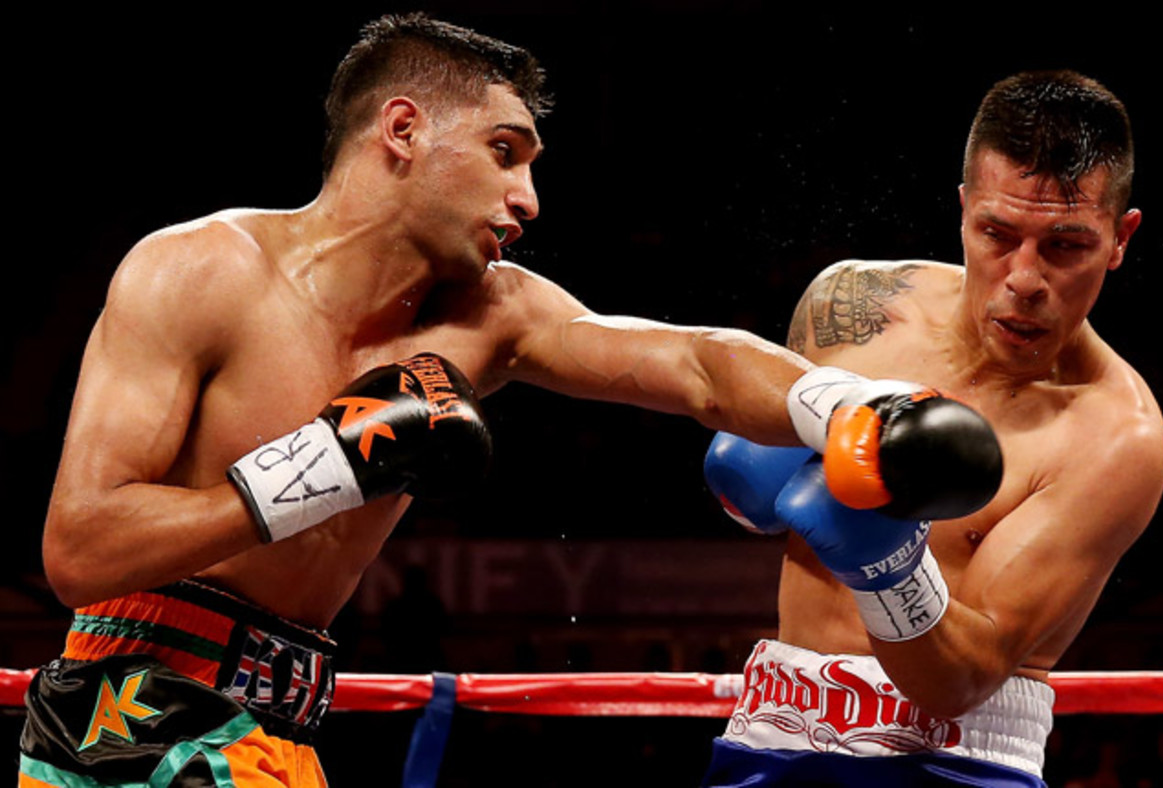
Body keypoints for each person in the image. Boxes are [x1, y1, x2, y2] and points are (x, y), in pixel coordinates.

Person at [17, 13, 1000, 788]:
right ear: (402, 129)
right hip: (124, 700)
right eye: (504, 151)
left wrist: (849, 406)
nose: (528, 197)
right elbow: (79, 549)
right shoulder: (199, 271)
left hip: (275, 713)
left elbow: (695, 363)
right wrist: (319, 467)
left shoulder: (489, 316)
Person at [702, 70, 1163, 787]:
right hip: (769, 734)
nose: (1023, 278)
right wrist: (750, 500)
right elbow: (783, 501)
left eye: (1065, 246)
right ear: (962, 211)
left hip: (953, 764)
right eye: (998, 233)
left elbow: (963, 678)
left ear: (1120, 238)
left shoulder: (1116, 435)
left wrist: (885, 564)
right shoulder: (851, 305)